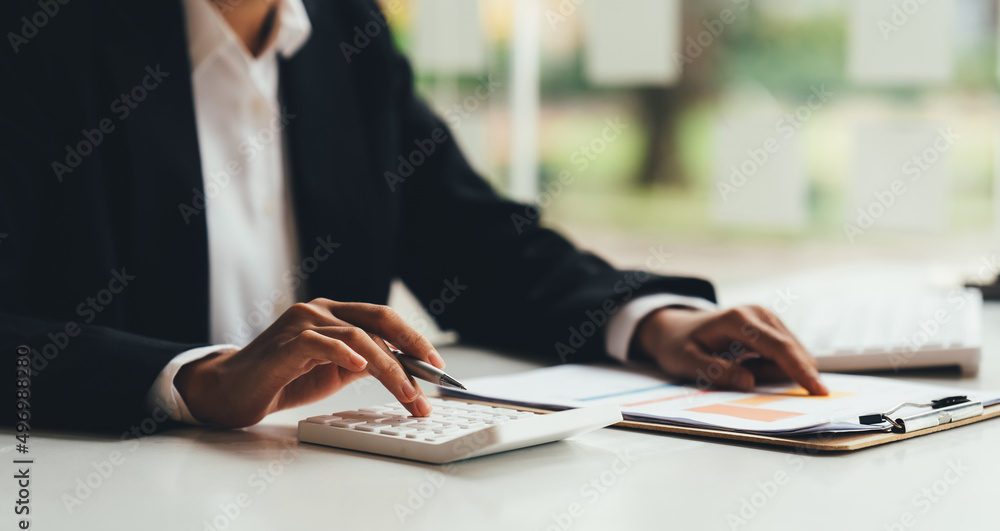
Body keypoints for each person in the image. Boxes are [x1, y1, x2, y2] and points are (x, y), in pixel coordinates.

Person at [0, 0, 826, 432]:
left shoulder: (341, 28)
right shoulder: (35, 41)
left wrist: (650, 323)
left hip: (330, 500)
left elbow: (473, 244)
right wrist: (189, 379)